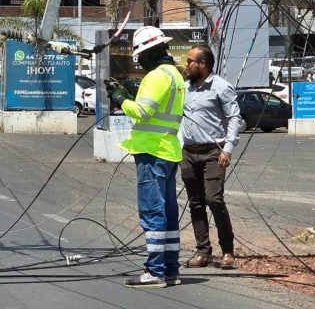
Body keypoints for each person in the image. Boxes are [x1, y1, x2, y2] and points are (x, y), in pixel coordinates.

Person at [104, 26, 185, 288]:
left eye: (140, 55)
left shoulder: (157, 76)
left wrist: (119, 99)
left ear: (150, 52)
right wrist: (128, 95)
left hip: (152, 152)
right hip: (168, 150)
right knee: (169, 211)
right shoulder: (174, 74)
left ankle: (155, 271)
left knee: (152, 209)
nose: (139, 60)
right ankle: (170, 269)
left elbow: (142, 112)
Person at [179, 45, 242, 270]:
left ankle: (227, 251)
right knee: (195, 203)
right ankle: (203, 252)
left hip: (213, 153)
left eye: (190, 61)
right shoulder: (185, 88)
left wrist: (228, 148)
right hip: (188, 152)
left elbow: (235, 118)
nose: (187, 65)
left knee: (214, 199)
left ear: (202, 64)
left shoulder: (221, 87)